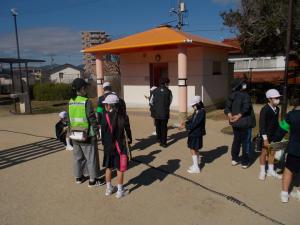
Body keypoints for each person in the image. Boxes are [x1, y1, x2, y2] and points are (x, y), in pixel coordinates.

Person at [68, 78, 104, 187]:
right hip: (87, 134)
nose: (87, 89)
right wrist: (97, 130)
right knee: (91, 157)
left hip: (74, 134)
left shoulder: (71, 101)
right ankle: (93, 180)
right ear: (82, 88)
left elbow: (70, 119)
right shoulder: (86, 101)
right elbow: (91, 117)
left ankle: (79, 177)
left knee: (78, 157)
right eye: (86, 87)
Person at [101, 94, 132, 198]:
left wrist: (105, 144)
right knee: (120, 168)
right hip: (119, 145)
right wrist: (130, 140)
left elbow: (103, 131)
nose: (105, 106)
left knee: (108, 167)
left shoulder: (104, 116)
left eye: (106, 104)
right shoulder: (123, 116)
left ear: (110, 105)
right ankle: (120, 190)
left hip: (108, 146)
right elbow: (127, 130)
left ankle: (109, 189)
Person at [224, 79, 256, 168]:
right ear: (240, 86)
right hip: (245, 123)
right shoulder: (245, 95)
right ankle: (245, 162)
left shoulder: (231, 95)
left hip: (235, 123)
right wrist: (238, 116)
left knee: (236, 140)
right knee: (246, 142)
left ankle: (234, 159)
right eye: (243, 84)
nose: (244, 85)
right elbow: (246, 108)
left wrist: (230, 115)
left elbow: (227, 108)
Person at [274, 95, 300, 203]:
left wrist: (275, 141)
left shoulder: (291, 115)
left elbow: (282, 129)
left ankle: (284, 194)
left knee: (288, 170)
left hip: (294, 148)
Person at [258, 89, 282, 180]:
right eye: (276, 98)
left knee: (272, 152)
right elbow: (262, 125)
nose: (278, 99)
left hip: (274, 134)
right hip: (266, 135)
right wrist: (265, 139)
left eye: (278, 98)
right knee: (264, 153)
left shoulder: (277, 109)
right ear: (269, 99)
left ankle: (271, 170)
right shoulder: (265, 110)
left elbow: (276, 122)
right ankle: (262, 171)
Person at [180, 96, 206, 174]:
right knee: (195, 149)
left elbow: (195, 123)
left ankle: (196, 168)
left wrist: (185, 126)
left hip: (196, 133)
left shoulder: (201, 112)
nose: (192, 107)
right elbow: (192, 119)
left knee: (192, 149)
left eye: (193, 105)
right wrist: (185, 122)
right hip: (194, 132)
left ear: (198, 104)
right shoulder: (197, 111)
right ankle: (196, 165)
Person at [150, 77, 173, 148]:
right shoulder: (169, 91)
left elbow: (151, 102)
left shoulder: (154, 91)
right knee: (164, 127)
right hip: (165, 112)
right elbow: (170, 101)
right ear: (166, 83)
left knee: (158, 126)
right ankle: (164, 143)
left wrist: (155, 108)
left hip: (156, 112)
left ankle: (159, 139)